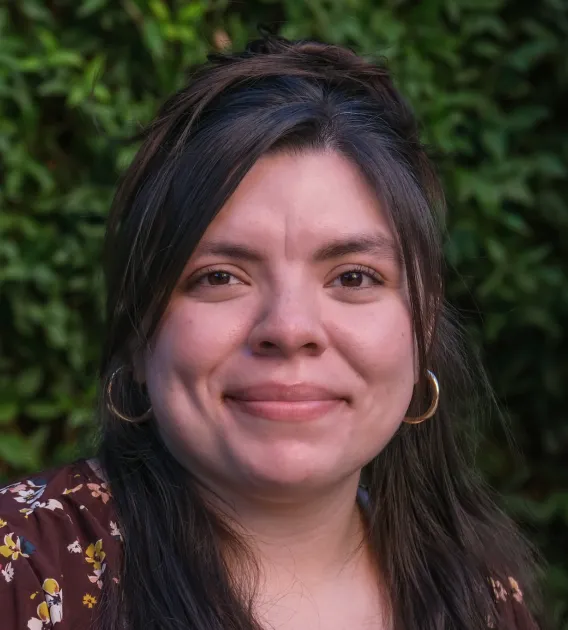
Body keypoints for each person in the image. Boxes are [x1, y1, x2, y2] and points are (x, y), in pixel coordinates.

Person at [0, 34, 542, 630]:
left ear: (424, 319)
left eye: (354, 276)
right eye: (220, 276)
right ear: (138, 327)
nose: (289, 329)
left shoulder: (482, 602)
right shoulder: (23, 576)